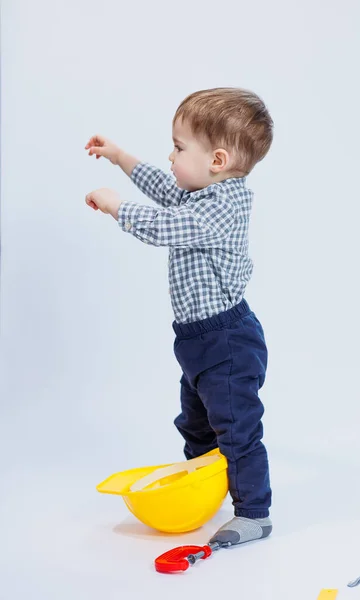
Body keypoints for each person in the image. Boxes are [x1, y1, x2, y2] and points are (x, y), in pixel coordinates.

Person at [85, 87, 274, 546]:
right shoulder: (200, 191)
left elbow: (164, 225)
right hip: (195, 339)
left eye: (178, 147)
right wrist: (120, 157)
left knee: (236, 428)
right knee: (195, 425)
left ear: (218, 160)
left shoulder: (222, 207)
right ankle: (204, 490)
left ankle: (254, 512)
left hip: (226, 340)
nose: (170, 156)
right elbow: (165, 187)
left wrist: (116, 206)